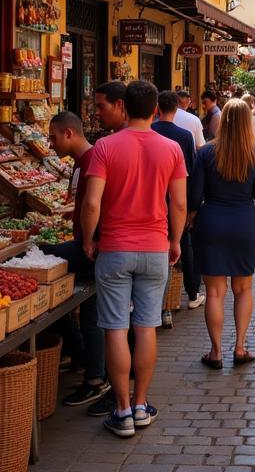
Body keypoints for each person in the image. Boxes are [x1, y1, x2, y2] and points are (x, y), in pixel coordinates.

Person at [81, 81, 187, 438]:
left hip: (115, 247)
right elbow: (180, 204)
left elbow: (92, 203)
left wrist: (87, 239)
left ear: (123, 107)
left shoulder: (105, 147)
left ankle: (122, 409)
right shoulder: (172, 148)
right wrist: (175, 240)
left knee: (114, 328)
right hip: (155, 247)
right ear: (156, 109)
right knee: (146, 327)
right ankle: (141, 404)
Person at [191, 99, 255, 369]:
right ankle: (240, 347)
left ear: (222, 121)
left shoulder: (205, 153)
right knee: (243, 288)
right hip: (244, 224)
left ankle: (216, 352)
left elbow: (195, 197)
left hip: (211, 222)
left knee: (214, 292)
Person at [45, 112, 109, 408]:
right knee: (91, 310)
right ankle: (86, 363)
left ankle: (94, 374)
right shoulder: (88, 161)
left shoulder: (92, 160)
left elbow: (93, 204)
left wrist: (87, 240)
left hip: (93, 249)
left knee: (41, 262)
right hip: (96, 248)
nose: (50, 143)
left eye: (53, 136)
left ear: (69, 134)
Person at [153, 90, 201, 312]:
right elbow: (190, 170)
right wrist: (192, 207)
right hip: (176, 197)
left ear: (158, 108)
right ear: (178, 108)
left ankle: (160, 302)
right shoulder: (184, 135)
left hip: (155, 198)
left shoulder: (150, 130)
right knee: (184, 245)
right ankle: (192, 293)